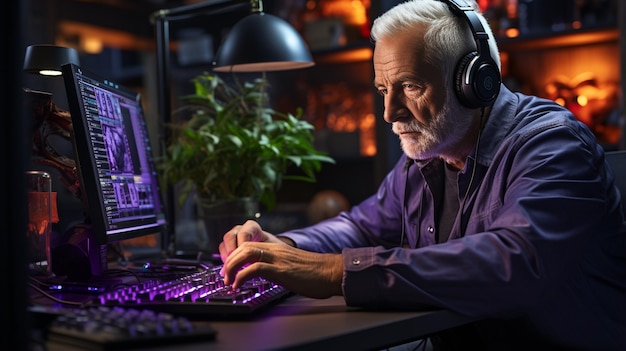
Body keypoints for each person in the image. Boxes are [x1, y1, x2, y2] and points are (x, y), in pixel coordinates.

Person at [218, 0, 626, 349]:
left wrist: (329, 271)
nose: (389, 113)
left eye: (410, 86)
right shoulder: (428, 156)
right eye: (383, 90)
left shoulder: (554, 145)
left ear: (474, 81)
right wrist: (281, 244)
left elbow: (514, 263)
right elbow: (360, 226)